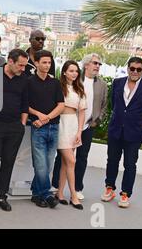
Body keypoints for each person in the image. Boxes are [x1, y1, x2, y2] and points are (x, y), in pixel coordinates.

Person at [101, 57, 142, 208]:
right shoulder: (118, 83)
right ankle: (109, 188)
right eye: (132, 68)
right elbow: (113, 104)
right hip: (116, 130)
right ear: (128, 68)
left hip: (135, 132)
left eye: (138, 69)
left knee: (130, 164)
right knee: (112, 160)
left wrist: (139, 121)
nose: (134, 71)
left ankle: (125, 194)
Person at [52, 54, 107, 200]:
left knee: (81, 157)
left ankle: (74, 189)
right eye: (95, 63)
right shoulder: (69, 83)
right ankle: (57, 187)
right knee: (66, 159)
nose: (97, 66)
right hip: (64, 124)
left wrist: (95, 121)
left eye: (99, 64)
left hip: (85, 126)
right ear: (86, 65)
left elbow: (103, 105)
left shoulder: (100, 84)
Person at [0, 49, 29, 212]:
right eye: (20, 65)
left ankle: (1, 195)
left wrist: (22, 124)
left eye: (25, 66)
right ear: (10, 61)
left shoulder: (24, 79)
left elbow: (25, 103)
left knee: (8, 161)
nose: (23, 69)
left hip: (15, 127)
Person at [28, 50, 65, 209]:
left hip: (54, 127)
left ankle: (36, 194)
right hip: (38, 129)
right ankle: (46, 194)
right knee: (41, 165)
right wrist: (38, 116)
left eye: (49, 63)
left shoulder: (55, 83)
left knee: (48, 165)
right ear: (36, 63)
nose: (47, 65)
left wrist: (47, 118)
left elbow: (61, 105)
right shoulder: (29, 82)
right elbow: (25, 106)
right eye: (44, 62)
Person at [56, 61, 86, 211]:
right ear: (64, 72)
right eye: (71, 71)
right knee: (71, 161)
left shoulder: (80, 89)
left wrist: (79, 131)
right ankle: (74, 195)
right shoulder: (58, 86)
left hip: (73, 125)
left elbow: (82, 112)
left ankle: (60, 193)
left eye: (76, 71)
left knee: (65, 163)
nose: (74, 74)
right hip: (61, 124)